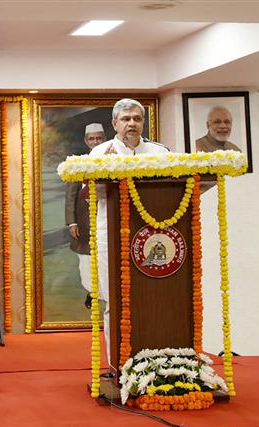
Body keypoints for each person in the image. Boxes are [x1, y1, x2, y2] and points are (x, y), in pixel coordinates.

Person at [88, 99, 169, 371]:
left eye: (136, 118)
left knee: (152, 298)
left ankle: (155, 362)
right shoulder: (100, 152)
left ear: (143, 122)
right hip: (110, 235)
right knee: (115, 301)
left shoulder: (160, 153)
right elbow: (92, 196)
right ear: (115, 124)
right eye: (125, 119)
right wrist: (107, 171)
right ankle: (119, 366)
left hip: (152, 237)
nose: (131, 123)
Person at [65, 123, 106, 309]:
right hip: (84, 222)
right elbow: (70, 196)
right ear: (86, 141)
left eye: (99, 138)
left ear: (104, 139)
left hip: (107, 221)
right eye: (92, 138)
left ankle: (106, 292)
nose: (95, 141)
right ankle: (92, 292)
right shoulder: (78, 163)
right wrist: (71, 222)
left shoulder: (113, 161)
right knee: (86, 260)